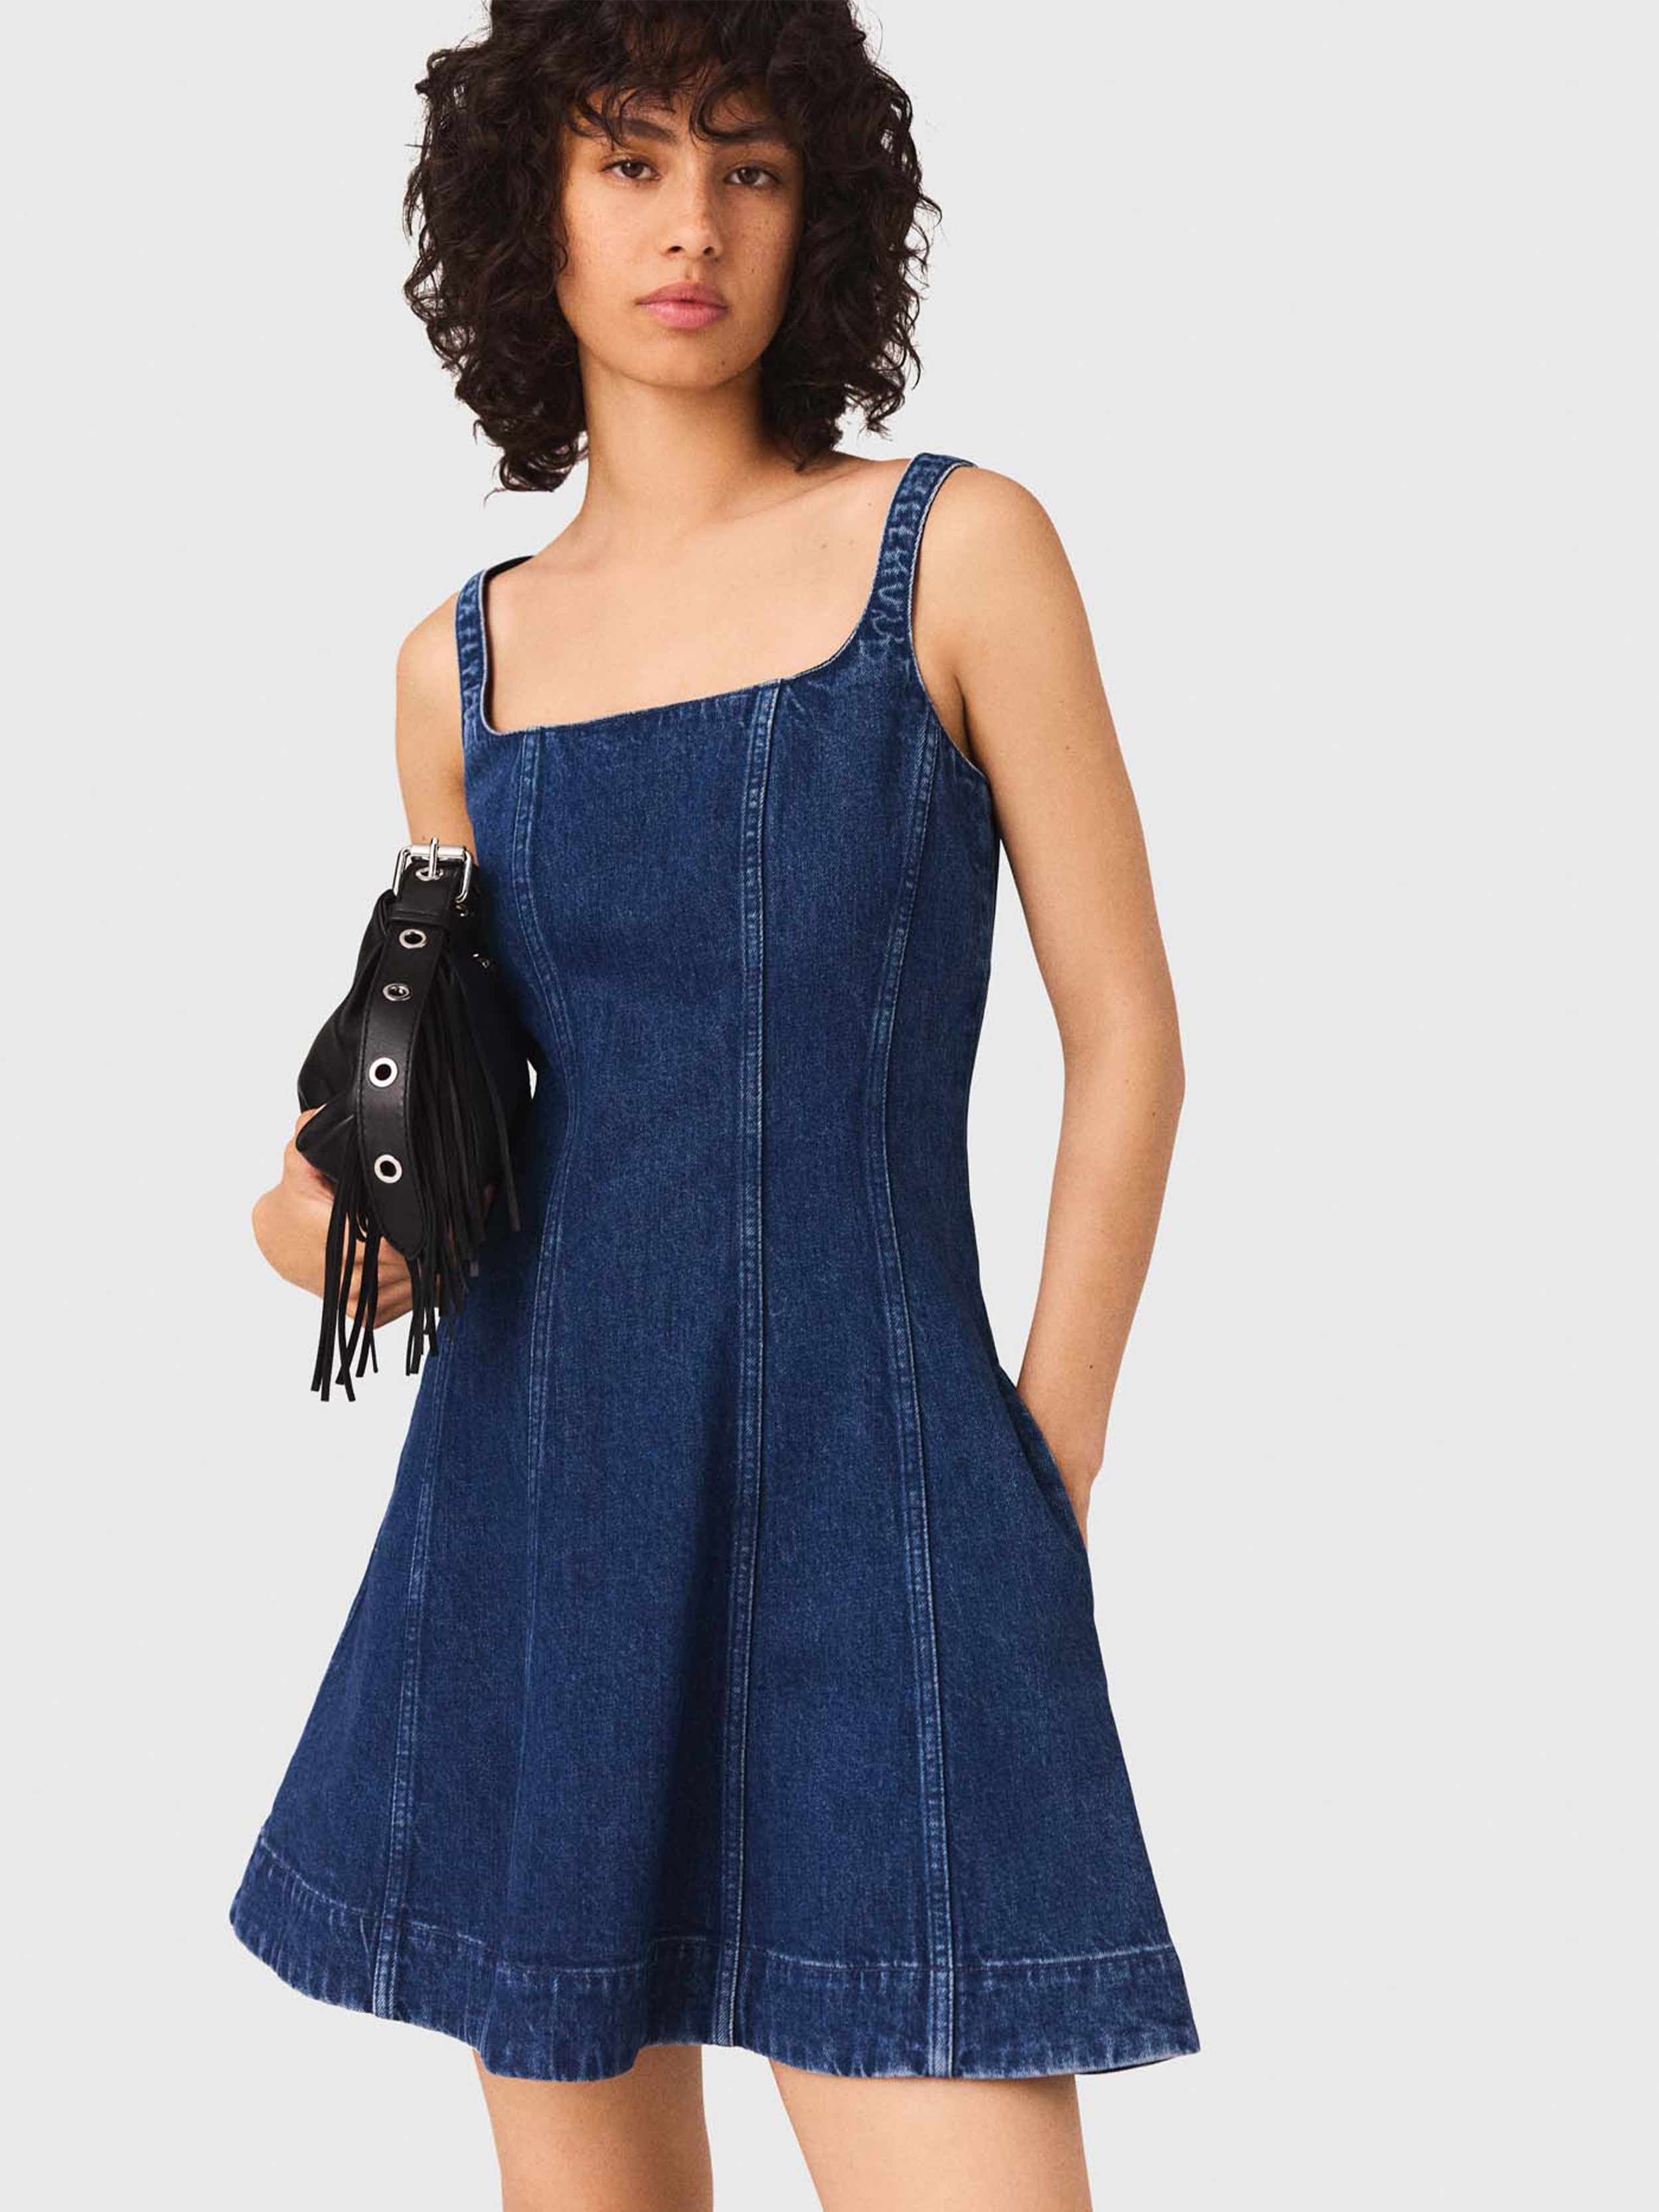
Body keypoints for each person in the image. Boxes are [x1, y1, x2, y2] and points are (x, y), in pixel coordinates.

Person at [232, 4, 1198, 2205]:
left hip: (885, 1506)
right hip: (540, 1517)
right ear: (534, 214)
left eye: (748, 167)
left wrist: (1042, 1453)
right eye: (631, 162)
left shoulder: (958, 549)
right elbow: (447, 1116)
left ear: (818, 214)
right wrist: (315, 1220)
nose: (693, 225)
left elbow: (1127, 1030)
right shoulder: (457, 667)